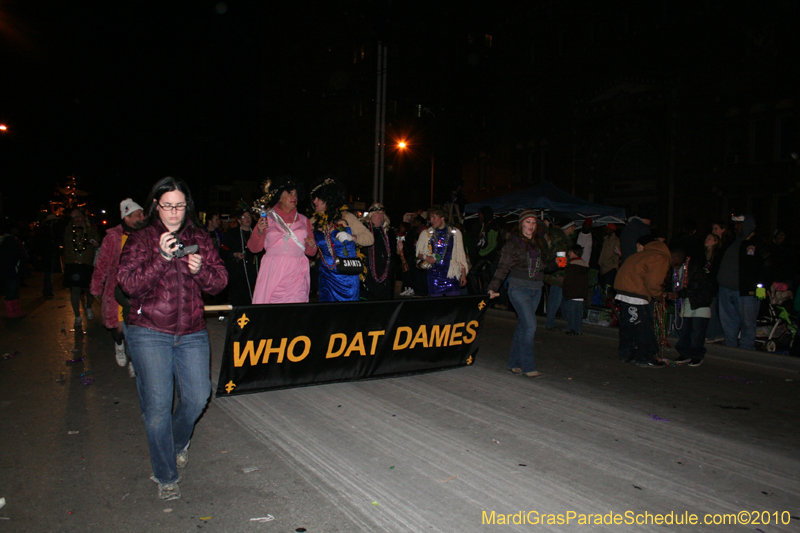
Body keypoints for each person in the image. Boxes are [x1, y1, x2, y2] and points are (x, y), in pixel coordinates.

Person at [117, 177, 227, 501]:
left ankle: (177, 441)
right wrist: (161, 259)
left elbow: (219, 281)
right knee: (158, 408)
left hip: (192, 331)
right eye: (168, 205)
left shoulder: (199, 236)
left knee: (197, 397)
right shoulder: (140, 239)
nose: (175, 212)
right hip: (149, 331)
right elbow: (128, 284)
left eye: (180, 205)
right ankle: (165, 474)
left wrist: (200, 270)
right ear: (155, 205)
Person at [487, 209, 550, 377]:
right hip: (518, 289)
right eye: (528, 222)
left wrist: (559, 263)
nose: (531, 225)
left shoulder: (540, 243)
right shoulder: (512, 244)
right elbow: (503, 268)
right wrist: (493, 288)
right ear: (521, 223)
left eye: (534, 222)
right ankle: (528, 366)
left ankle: (514, 362)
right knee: (530, 326)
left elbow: (546, 266)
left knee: (523, 326)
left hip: (536, 289)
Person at [90, 198, 145, 377]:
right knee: (119, 329)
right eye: (138, 214)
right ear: (127, 217)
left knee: (134, 329)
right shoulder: (113, 237)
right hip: (116, 291)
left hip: (136, 291)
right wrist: (96, 287)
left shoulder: (145, 235)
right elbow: (102, 263)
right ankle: (119, 345)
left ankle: (134, 360)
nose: (142, 217)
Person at [249, 176, 316, 304]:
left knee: (295, 312)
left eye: (296, 194)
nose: (294, 197)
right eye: (290, 193)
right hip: (274, 270)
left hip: (297, 272)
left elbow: (311, 252)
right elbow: (253, 248)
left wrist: (312, 246)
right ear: (279, 197)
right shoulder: (267, 218)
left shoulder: (304, 220)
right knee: (272, 313)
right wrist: (259, 232)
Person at [309, 176, 374, 302]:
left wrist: (352, 237)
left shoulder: (346, 217)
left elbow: (369, 238)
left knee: (347, 315)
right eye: (314, 198)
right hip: (326, 275)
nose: (314, 201)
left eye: (318, 198)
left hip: (346, 275)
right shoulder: (313, 222)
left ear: (328, 199)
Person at [613, 235, 674, 368]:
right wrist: (658, 295)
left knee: (628, 326)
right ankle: (645, 357)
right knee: (643, 328)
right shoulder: (659, 257)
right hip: (637, 295)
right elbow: (654, 282)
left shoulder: (640, 255)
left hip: (624, 292)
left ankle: (626, 354)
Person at [715, 215, 768, 350]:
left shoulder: (758, 243)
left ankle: (746, 350)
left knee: (747, 322)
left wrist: (761, 286)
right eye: (736, 224)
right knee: (728, 321)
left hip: (746, 291)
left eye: (740, 224)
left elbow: (767, 266)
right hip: (725, 289)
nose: (736, 227)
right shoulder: (731, 242)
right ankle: (730, 348)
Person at [665, 246, 714, 366]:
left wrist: (678, 294)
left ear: (677, 257)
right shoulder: (675, 269)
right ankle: (685, 353)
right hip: (685, 302)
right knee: (684, 330)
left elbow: (695, 286)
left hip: (698, 302)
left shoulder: (694, 266)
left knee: (697, 331)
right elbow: (670, 283)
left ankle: (697, 355)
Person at [416, 205, 468, 297]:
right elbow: (418, 253)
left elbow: (461, 256)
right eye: (430, 217)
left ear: (442, 217)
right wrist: (427, 257)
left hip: (452, 276)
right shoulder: (426, 233)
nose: (431, 220)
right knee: (436, 307)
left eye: (434, 217)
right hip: (434, 276)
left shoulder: (455, 233)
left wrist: (463, 274)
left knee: (452, 307)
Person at [63, 208, 99, 328]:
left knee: (89, 289)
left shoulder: (91, 229)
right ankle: (77, 316)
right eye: (73, 217)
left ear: (83, 217)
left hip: (87, 263)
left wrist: (94, 242)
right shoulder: (68, 230)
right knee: (75, 290)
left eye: (78, 216)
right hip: (72, 263)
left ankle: (88, 306)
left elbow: (98, 242)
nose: (76, 219)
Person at [221, 207, 261, 306]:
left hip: (256, 271)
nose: (247, 219)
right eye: (244, 217)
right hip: (239, 273)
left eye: (249, 216)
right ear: (239, 220)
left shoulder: (258, 232)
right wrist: (234, 254)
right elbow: (222, 252)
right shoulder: (232, 234)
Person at [360, 202, 397, 300]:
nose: (380, 216)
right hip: (369, 275)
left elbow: (392, 256)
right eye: (377, 213)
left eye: (381, 213)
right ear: (371, 215)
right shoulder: (365, 230)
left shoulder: (388, 233)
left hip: (386, 277)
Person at [543, 219, 572, 331]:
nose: (574, 229)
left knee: (560, 296)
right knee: (556, 297)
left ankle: (562, 319)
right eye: (572, 226)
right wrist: (561, 272)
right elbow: (561, 257)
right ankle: (550, 322)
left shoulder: (556, 236)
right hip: (557, 272)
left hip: (553, 269)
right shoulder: (561, 239)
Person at [466, 206, 502, 295]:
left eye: (480, 214)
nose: (479, 216)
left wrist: (480, 254)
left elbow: (492, 244)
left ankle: (476, 295)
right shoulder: (484, 225)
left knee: (472, 273)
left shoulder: (492, 226)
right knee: (484, 276)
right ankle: (486, 297)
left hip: (486, 257)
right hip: (483, 256)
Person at [0, 221, 27, 318]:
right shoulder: (8, 241)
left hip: (15, 269)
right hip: (11, 270)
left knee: (15, 289)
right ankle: (10, 310)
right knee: (10, 290)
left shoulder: (12, 239)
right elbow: (9, 257)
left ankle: (15, 309)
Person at [562, 244, 589, 335]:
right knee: (578, 314)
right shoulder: (585, 265)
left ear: (574, 253)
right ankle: (578, 330)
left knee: (571, 313)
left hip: (572, 293)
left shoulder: (572, 266)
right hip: (581, 294)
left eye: (570, 252)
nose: (569, 254)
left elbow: (568, 281)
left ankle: (571, 329)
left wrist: (565, 290)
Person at [598, 223, 621, 291]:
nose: (606, 230)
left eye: (607, 229)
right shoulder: (606, 239)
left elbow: (617, 254)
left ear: (612, 230)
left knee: (608, 288)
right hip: (603, 267)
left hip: (610, 268)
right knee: (602, 288)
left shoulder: (615, 240)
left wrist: (613, 263)